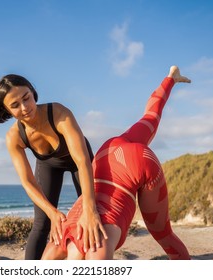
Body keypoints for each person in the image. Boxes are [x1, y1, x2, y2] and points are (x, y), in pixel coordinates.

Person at [41, 65, 191, 260]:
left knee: (164, 234)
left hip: (134, 162)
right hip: (111, 151)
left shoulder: (93, 249)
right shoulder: (57, 242)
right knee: (150, 118)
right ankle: (170, 78)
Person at [0, 75, 107, 259]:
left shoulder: (58, 112)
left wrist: (89, 208)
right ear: (7, 110)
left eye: (26, 98)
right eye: (15, 105)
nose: (25, 107)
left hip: (78, 161)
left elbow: (82, 161)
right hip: (48, 165)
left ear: (33, 93)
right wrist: (52, 213)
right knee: (41, 223)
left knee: (92, 211)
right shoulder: (14, 137)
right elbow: (27, 181)